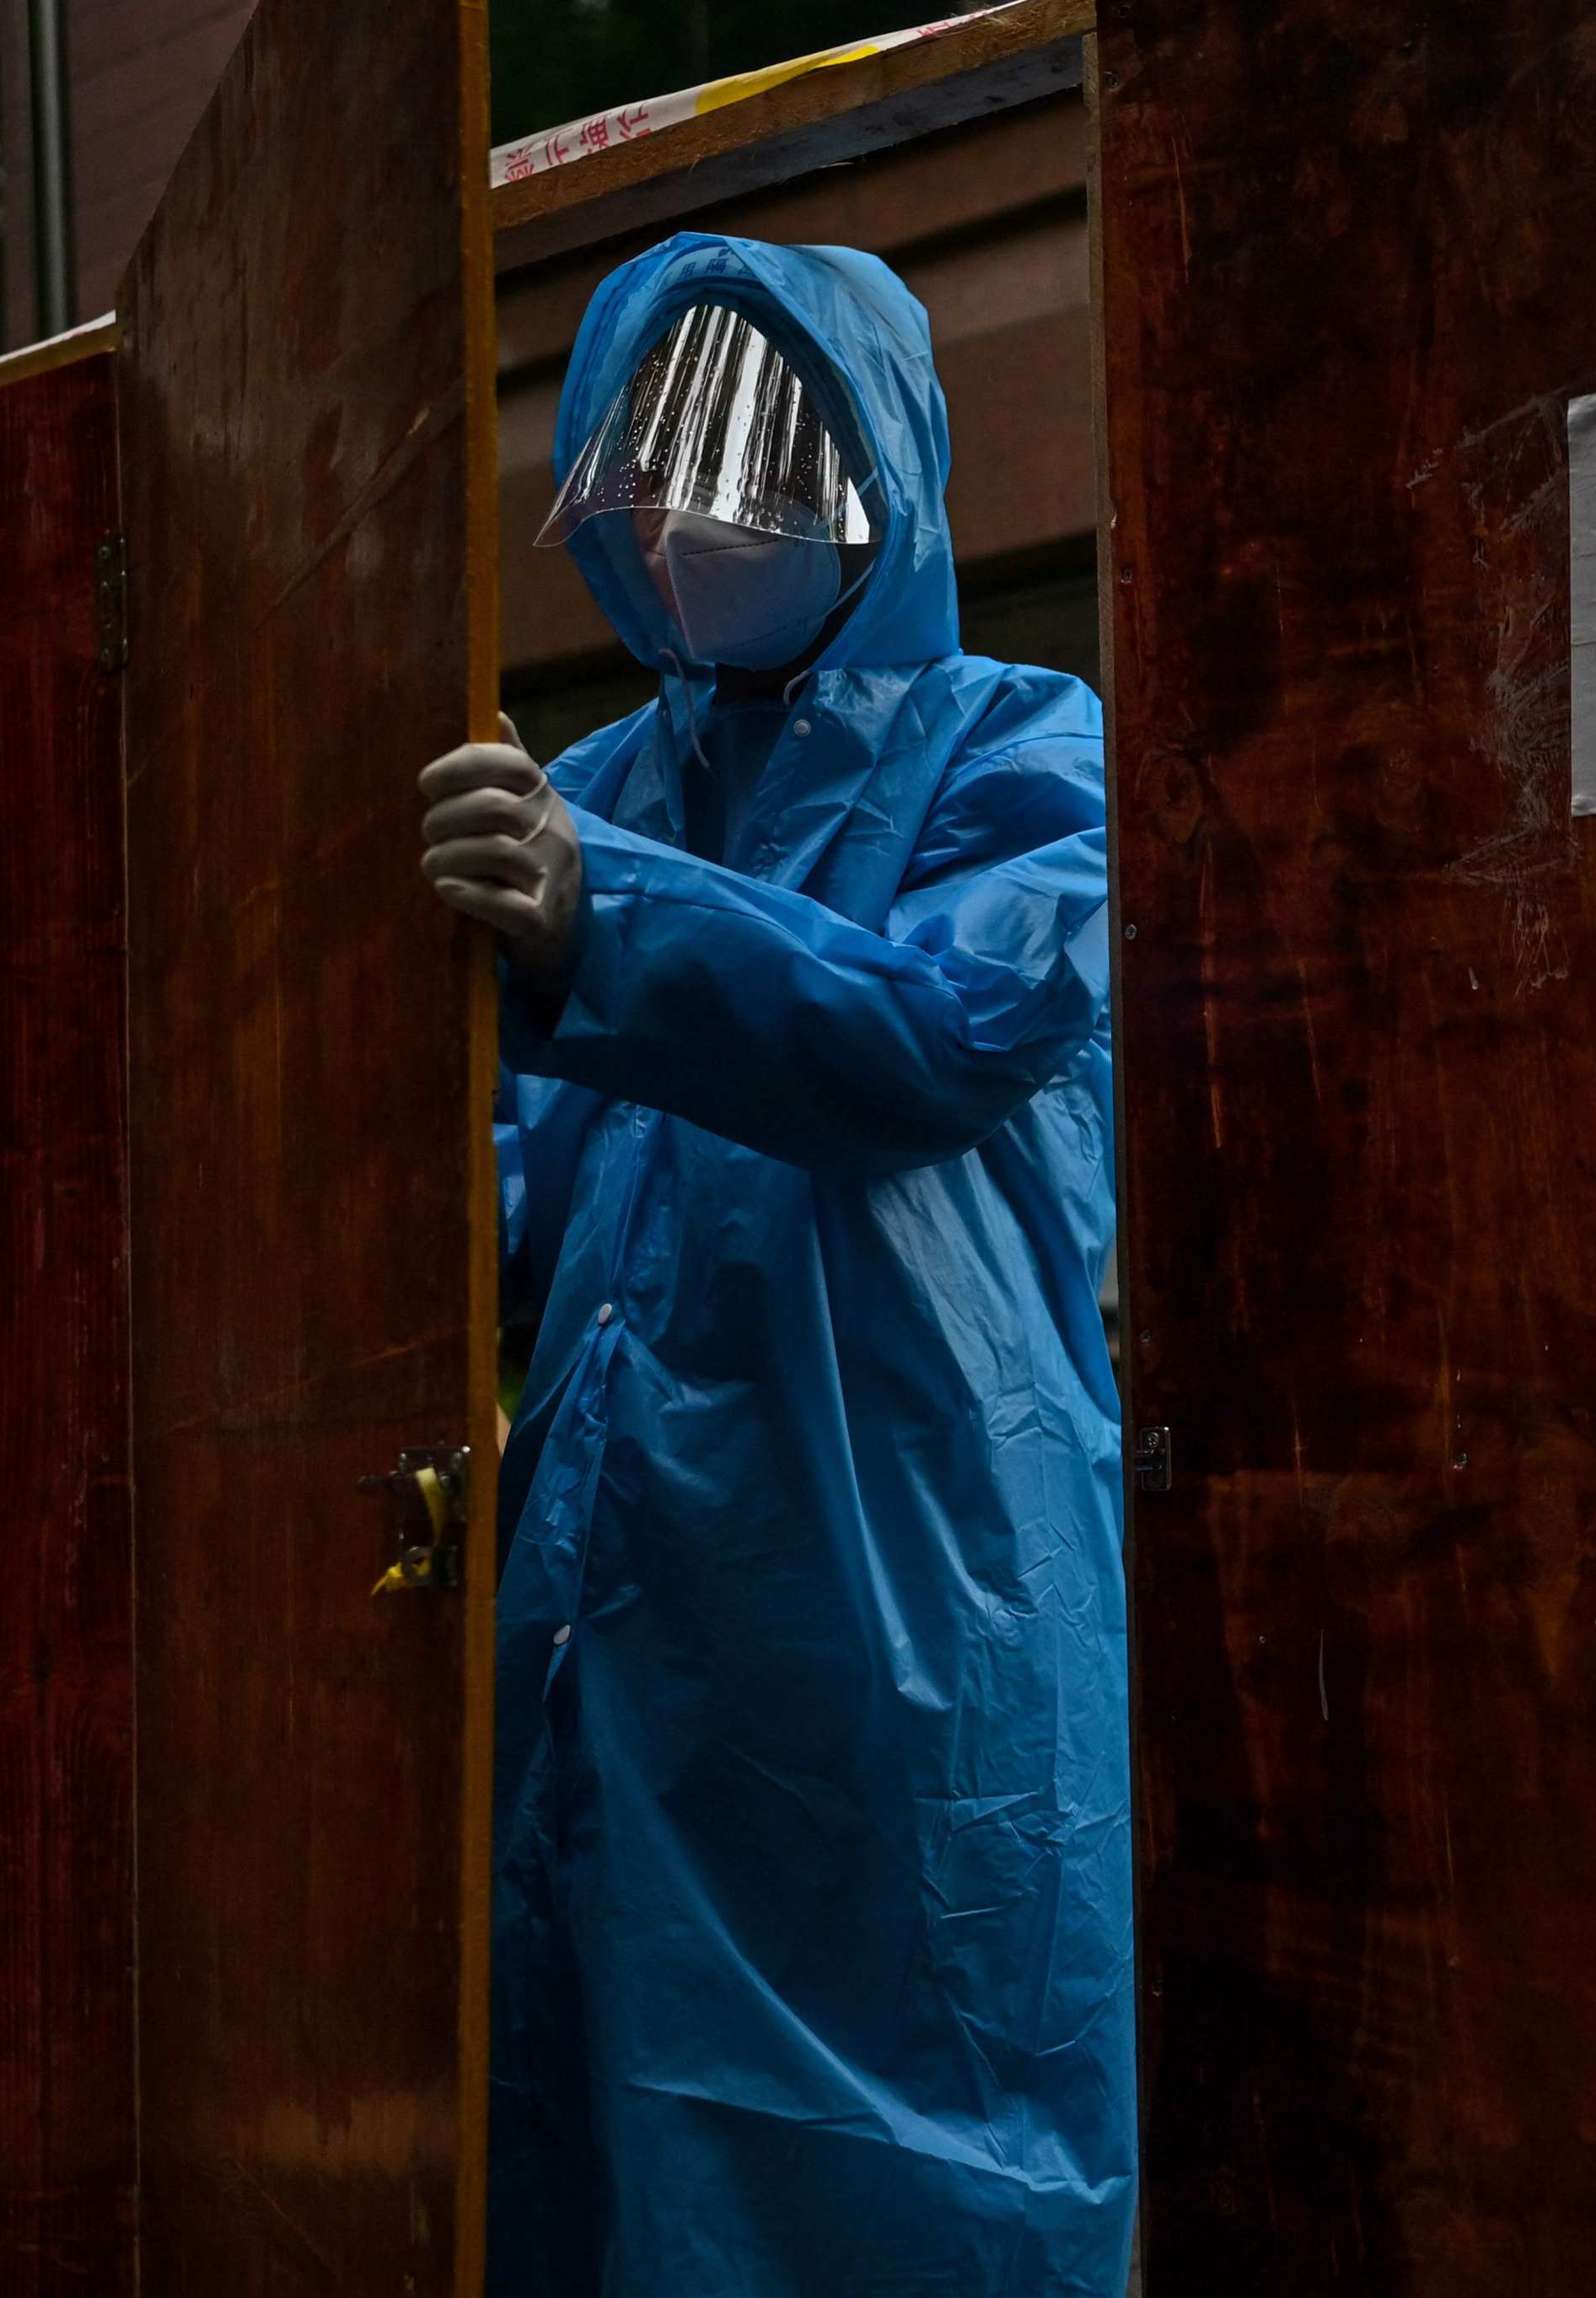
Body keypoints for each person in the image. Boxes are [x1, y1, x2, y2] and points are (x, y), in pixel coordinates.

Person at [415, 232, 1132, 2298]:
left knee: (923, 2147)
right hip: (622, 1607)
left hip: (897, 1573)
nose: (680, 506)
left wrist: (599, 925)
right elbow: (508, 1185)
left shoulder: (1025, 750)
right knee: (605, 2132)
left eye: (736, 447)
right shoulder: (598, 791)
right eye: (641, 458)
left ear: (874, 459)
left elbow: (933, 1031)